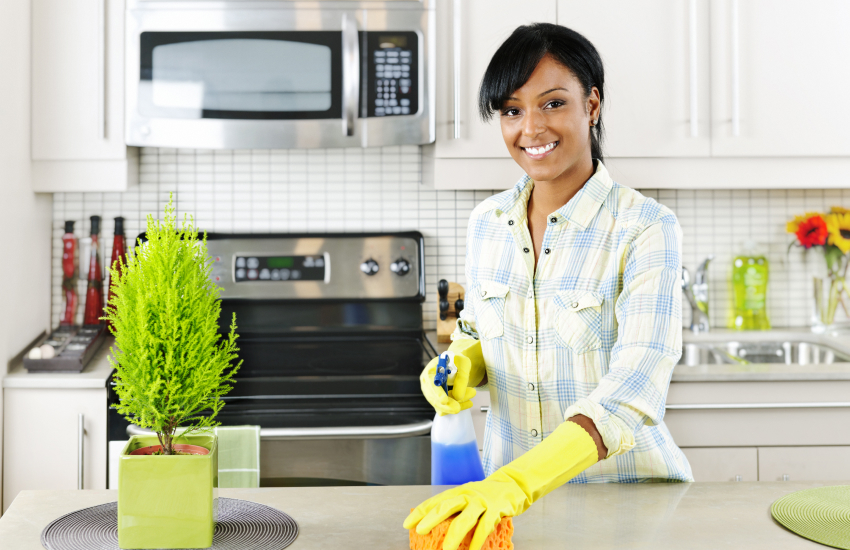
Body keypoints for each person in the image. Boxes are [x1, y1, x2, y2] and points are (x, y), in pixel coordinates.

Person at [404, 22, 693, 550]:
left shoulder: (645, 227)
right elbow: (477, 331)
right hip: (503, 511)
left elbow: (633, 388)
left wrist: (517, 483)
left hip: (626, 503)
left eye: (553, 103)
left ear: (593, 105)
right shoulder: (487, 222)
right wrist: (463, 366)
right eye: (512, 110)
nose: (530, 128)